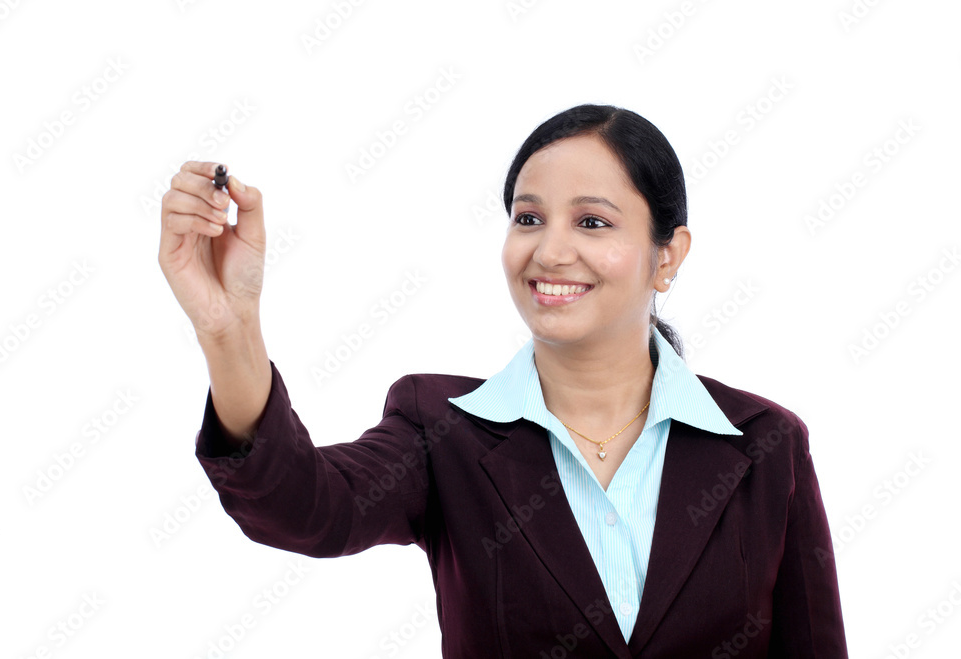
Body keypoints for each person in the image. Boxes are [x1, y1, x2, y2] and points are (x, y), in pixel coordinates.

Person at [158, 104, 849, 657]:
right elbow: (303, 506)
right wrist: (229, 329)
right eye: (528, 218)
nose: (550, 249)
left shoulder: (767, 444)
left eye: (592, 221)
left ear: (667, 256)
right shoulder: (440, 428)